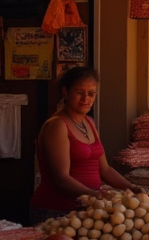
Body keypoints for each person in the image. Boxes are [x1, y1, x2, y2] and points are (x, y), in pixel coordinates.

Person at [31, 67, 138, 223]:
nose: (85, 99)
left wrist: (132, 188)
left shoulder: (89, 122)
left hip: (86, 210)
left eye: (91, 93)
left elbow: (105, 169)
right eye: (79, 92)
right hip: (56, 212)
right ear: (65, 91)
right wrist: (96, 195)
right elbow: (61, 178)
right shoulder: (57, 125)